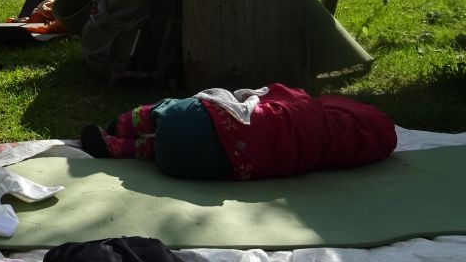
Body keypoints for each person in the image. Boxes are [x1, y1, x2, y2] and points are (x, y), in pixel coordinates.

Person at [79, 83, 396, 180]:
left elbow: (269, 91)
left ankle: (124, 124)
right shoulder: (322, 155)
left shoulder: (304, 106)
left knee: (172, 109)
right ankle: (123, 149)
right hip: (201, 167)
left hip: (195, 124)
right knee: (163, 151)